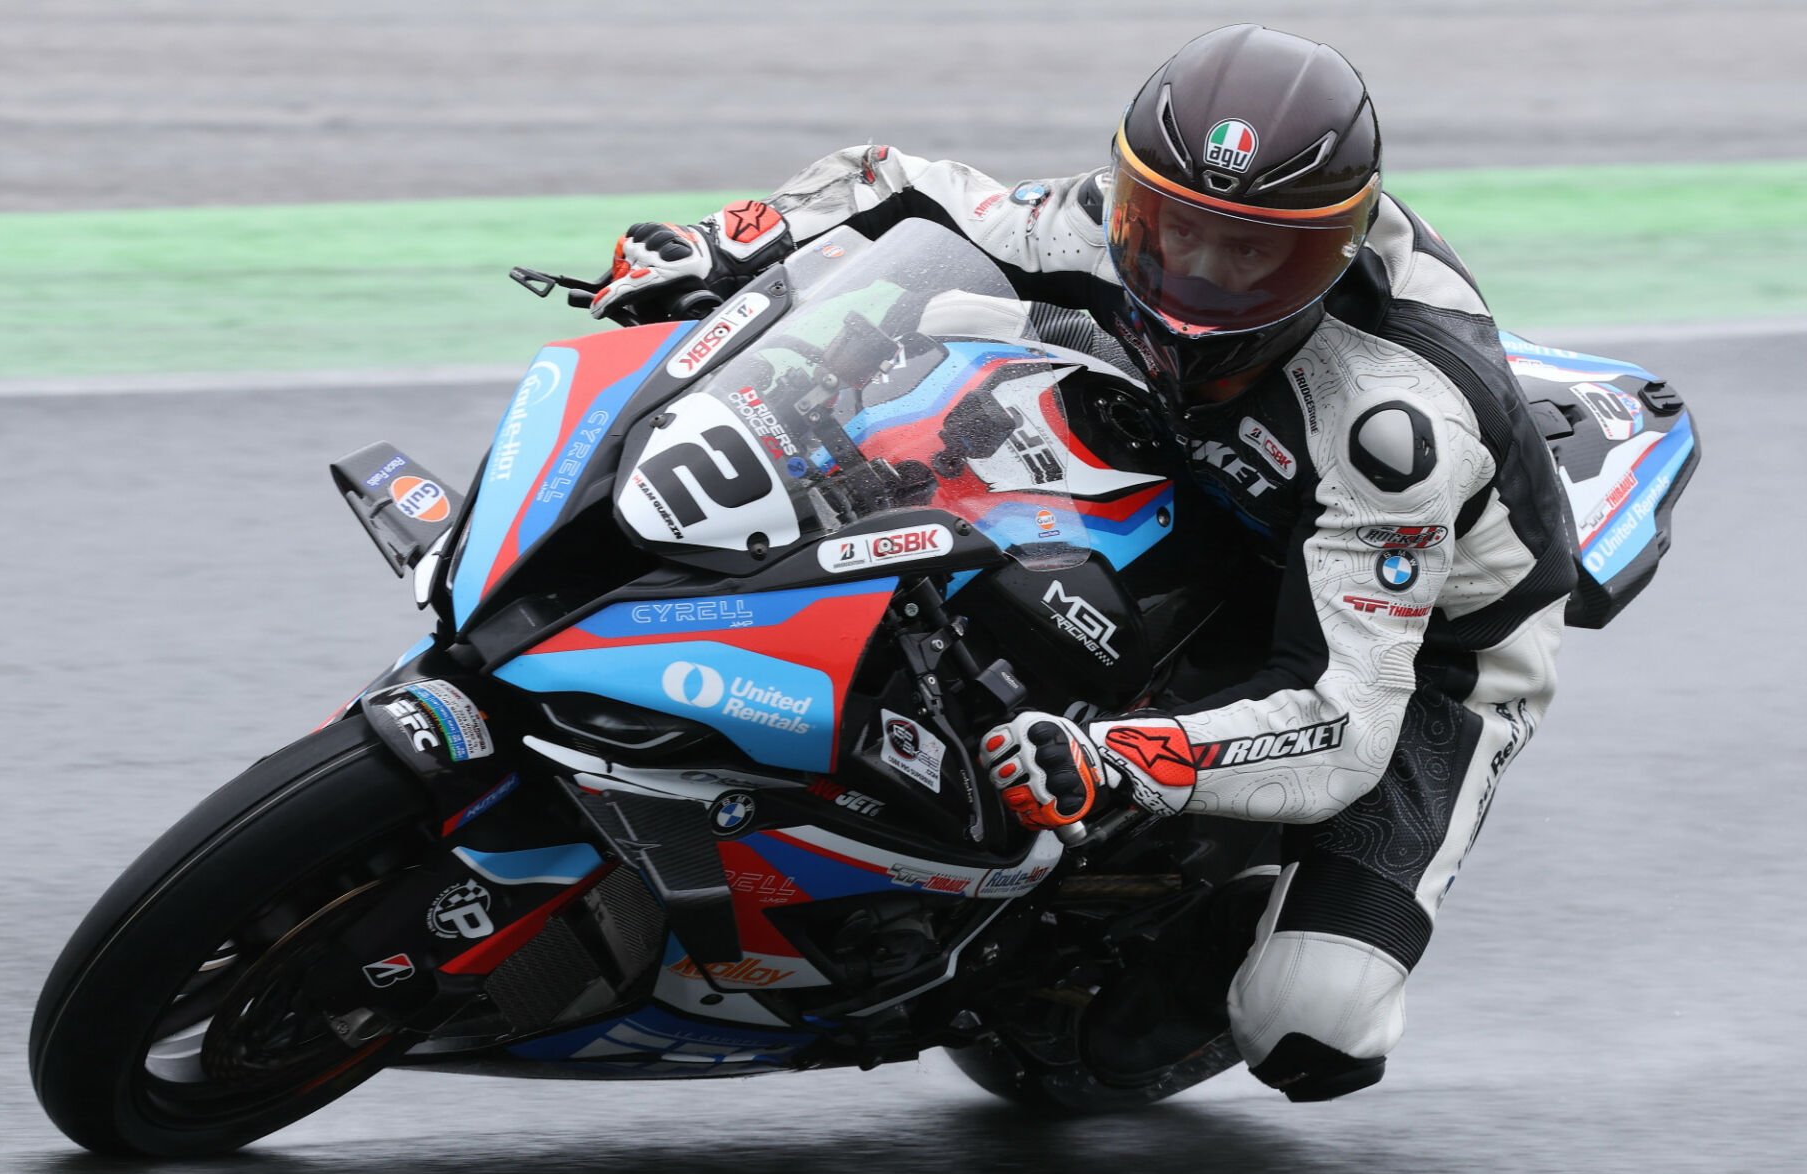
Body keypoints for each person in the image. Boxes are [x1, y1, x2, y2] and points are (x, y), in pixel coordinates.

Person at [588, 23, 1576, 1102]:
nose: (1198, 275)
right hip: (1208, 460)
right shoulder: (1106, 222)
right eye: (1170, 229)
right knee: (940, 338)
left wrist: (1115, 760)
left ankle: (1220, 907)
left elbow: (1346, 719)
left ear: (1330, 255)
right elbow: (898, 188)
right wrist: (725, 242)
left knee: (1316, 1023)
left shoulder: (1395, 424)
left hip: (1415, 646)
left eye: (1254, 254)